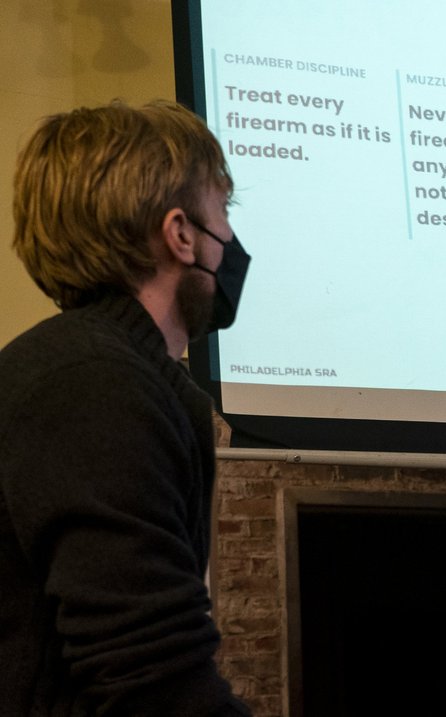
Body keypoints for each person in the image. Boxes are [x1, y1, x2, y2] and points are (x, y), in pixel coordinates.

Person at [0, 101, 252, 715]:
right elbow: (151, 680)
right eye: (224, 210)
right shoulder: (91, 384)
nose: (232, 239)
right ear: (181, 234)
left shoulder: (96, 370)